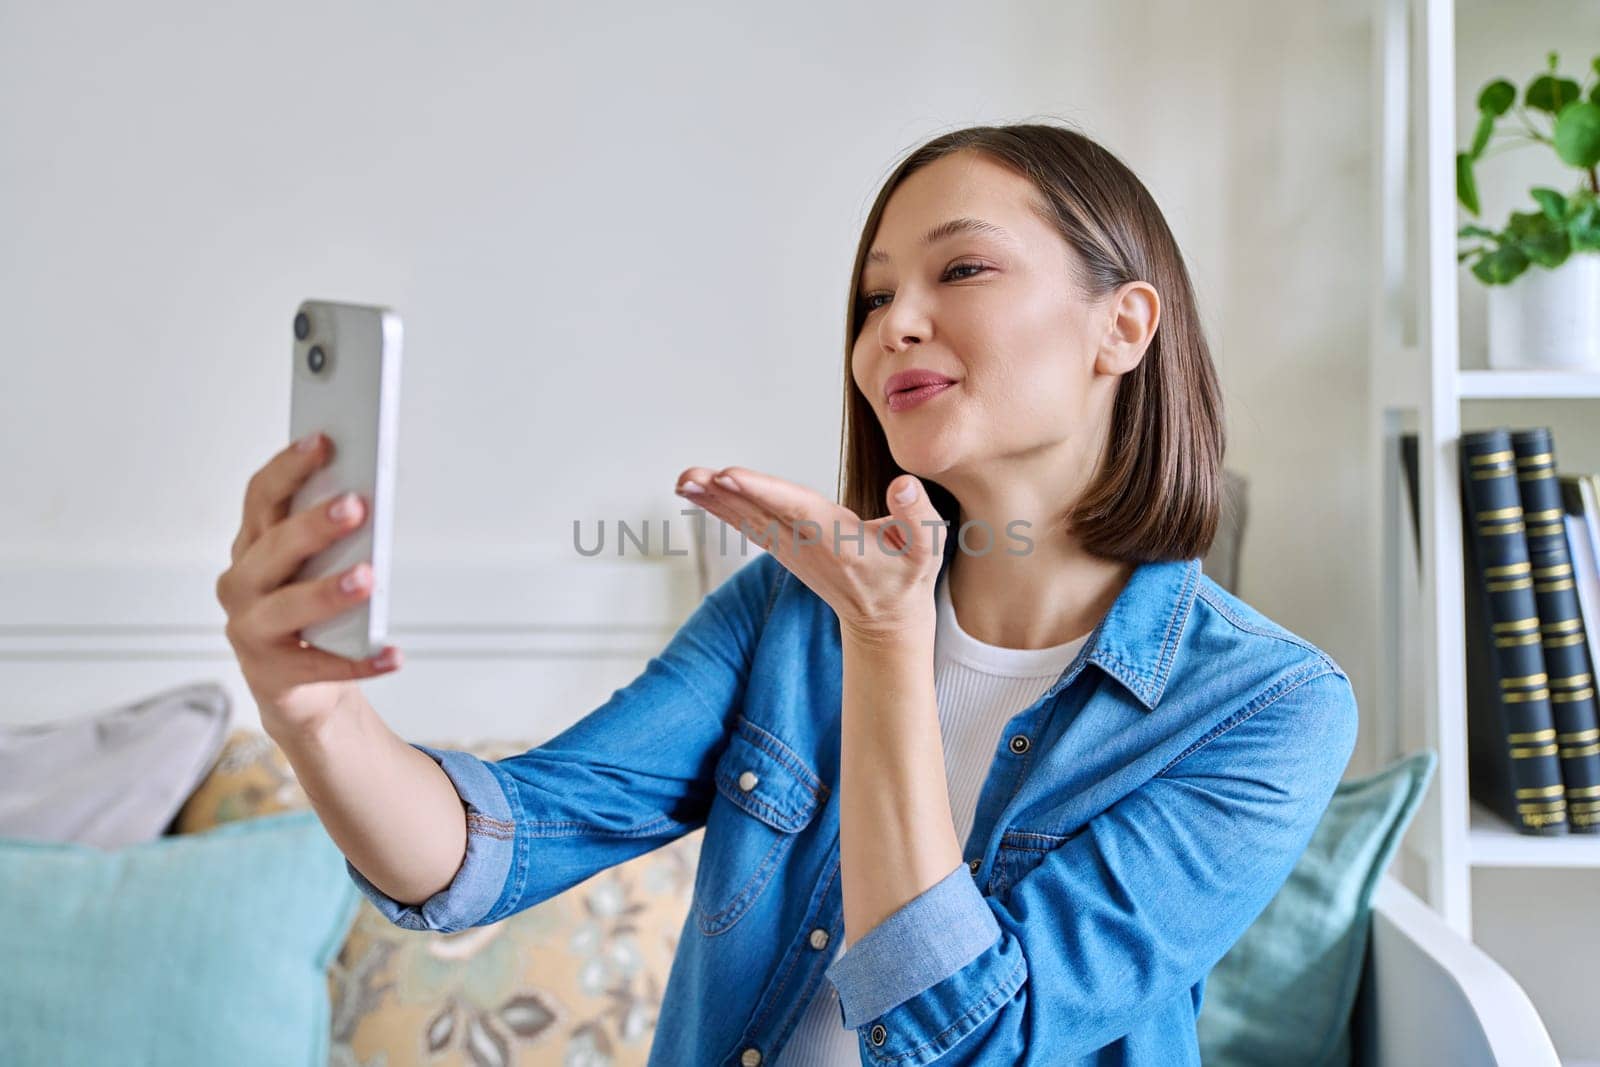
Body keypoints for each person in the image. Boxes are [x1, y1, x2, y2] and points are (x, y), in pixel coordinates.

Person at [216, 120, 1358, 1066]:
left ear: (1124, 324)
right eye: (871, 298)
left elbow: (972, 1039)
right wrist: (316, 715)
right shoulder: (786, 614)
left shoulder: (1265, 706)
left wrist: (886, 636)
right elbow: (490, 851)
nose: (892, 326)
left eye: (960, 268)